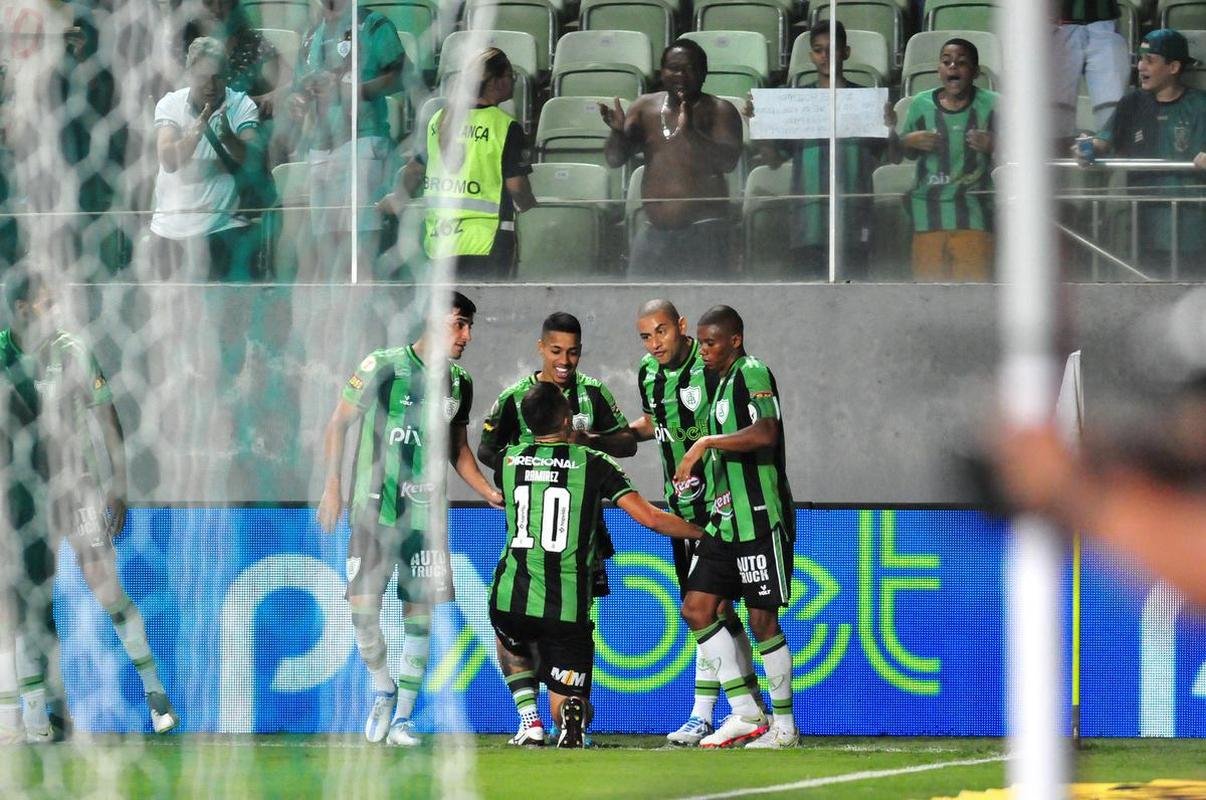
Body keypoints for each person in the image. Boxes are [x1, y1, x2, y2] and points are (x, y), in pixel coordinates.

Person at [317, 291, 502, 747]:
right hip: (372, 510)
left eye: (469, 327)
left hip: (426, 518)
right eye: (459, 324)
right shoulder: (382, 366)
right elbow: (338, 423)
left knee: (418, 617)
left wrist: (487, 491)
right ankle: (383, 688)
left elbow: (457, 449)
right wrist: (333, 486)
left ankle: (402, 719)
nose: (467, 335)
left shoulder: (458, 383)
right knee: (363, 614)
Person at [0, 270, 177, 743]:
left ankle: (155, 693)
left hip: (76, 488)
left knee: (106, 585)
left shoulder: (72, 350)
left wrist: (118, 484)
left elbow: (105, 414)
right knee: (24, 602)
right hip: (22, 494)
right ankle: (36, 718)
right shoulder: (2, 353)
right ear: (21, 309)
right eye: (46, 302)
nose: (54, 309)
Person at [490, 381, 703, 747]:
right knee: (566, 700)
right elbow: (651, 519)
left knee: (509, 636)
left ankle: (530, 722)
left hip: (511, 597)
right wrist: (703, 533)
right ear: (567, 419)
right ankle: (571, 712)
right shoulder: (594, 463)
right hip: (568, 607)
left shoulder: (507, 462)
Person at [629, 299, 763, 746]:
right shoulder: (648, 373)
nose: (654, 343)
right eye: (646, 336)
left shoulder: (711, 366)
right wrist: (618, 435)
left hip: (718, 508)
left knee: (705, 609)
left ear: (681, 325)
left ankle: (715, 712)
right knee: (712, 611)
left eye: (661, 331)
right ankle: (741, 706)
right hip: (681, 511)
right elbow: (654, 422)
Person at [673, 305, 797, 749]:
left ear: (735, 340)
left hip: (760, 518)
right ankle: (745, 711)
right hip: (725, 523)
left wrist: (705, 442)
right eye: (702, 342)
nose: (703, 350)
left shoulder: (752, 371)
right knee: (697, 608)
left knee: (762, 620)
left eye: (710, 342)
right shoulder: (720, 383)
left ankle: (784, 728)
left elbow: (766, 432)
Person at [478, 312, 636, 601]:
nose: (564, 361)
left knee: (581, 604)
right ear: (541, 347)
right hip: (529, 526)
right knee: (525, 599)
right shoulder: (514, 397)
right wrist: (523, 470)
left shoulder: (594, 392)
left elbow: (628, 444)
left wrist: (590, 441)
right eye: (556, 351)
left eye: (573, 352)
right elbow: (487, 450)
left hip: (583, 526)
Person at [747, 21, 889, 280]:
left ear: (846, 52)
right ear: (811, 55)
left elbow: (889, 155)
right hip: (807, 219)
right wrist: (757, 126)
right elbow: (773, 160)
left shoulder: (866, 100)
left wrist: (889, 125)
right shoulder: (796, 102)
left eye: (832, 49)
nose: (825, 56)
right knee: (809, 294)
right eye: (818, 50)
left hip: (854, 216)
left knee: (855, 291)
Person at [599, 39, 743, 278]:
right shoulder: (643, 107)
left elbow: (728, 162)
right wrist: (617, 132)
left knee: (704, 301)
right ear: (662, 72)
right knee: (642, 299)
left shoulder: (720, 110)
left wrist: (692, 134)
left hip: (705, 232)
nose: (681, 75)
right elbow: (615, 159)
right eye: (673, 68)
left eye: (689, 69)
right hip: (654, 232)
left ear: (704, 73)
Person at [1073, 29, 1206, 278]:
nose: (1141, 67)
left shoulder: (1200, 105)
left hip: (1194, 232)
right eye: (1140, 59)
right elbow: (1103, 142)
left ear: (1174, 67)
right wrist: (1086, 148)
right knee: (1149, 292)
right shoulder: (1131, 104)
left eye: (1150, 60)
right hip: (1144, 229)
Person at [394, 47, 536, 279]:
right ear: (496, 81)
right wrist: (529, 203)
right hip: (487, 242)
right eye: (511, 76)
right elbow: (516, 186)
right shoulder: (505, 126)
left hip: (441, 241)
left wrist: (397, 198)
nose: (513, 81)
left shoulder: (438, 120)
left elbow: (413, 170)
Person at [289, 0, 404, 279]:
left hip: (361, 140)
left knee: (359, 241)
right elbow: (300, 87)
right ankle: (335, 302)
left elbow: (400, 76)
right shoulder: (311, 33)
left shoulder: (373, 24)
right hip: (320, 147)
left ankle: (364, 299)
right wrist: (299, 100)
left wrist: (354, 92)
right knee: (325, 245)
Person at [149, 36, 262, 281]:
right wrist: (196, 132)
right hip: (170, 228)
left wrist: (229, 138)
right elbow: (168, 160)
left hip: (224, 226)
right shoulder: (170, 104)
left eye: (218, 77)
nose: (211, 85)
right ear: (189, 75)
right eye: (202, 77)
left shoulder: (241, 104)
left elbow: (255, 158)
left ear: (228, 76)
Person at [900, 38, 998, 282]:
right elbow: (901, 153)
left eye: (961, 62)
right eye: (946, 62)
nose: (953, 66)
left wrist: (996, 144)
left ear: (975, 72)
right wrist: (907, 141)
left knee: (972, 294)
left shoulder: (994, 105)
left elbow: (1020, 152)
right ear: (939, 70)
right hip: (927, 215)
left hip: (975, 214)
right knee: (929, 295)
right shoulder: (920, 104)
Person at [1053, 0, 1130, 140]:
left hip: (1106, 23)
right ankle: (1055, 148)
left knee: (1111, 107)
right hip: (1059, 26)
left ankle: (1110, 147)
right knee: (1057, 108)